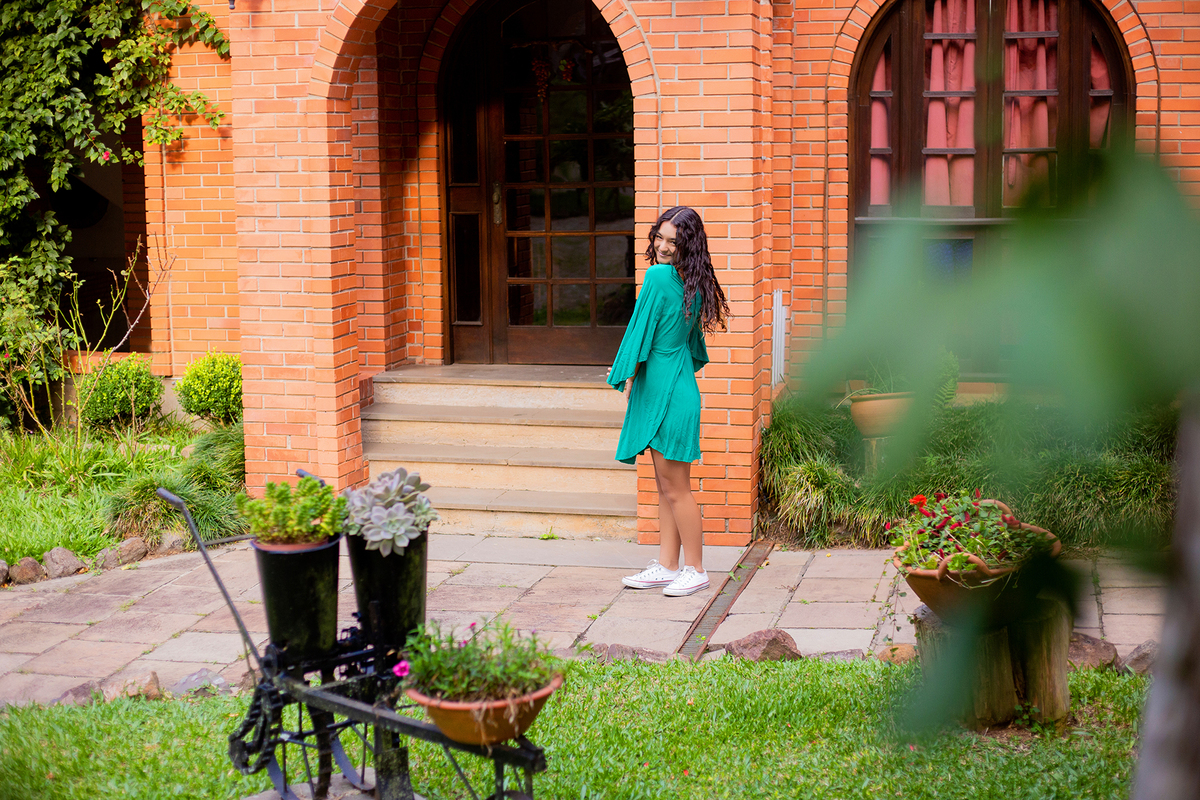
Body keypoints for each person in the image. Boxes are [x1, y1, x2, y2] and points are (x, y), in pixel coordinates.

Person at [606, 206, 729, 597]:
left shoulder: (659, 277)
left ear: (686, 245)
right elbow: (690, 345)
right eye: (658, 237)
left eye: (672, 241)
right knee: (667, 487)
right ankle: (667, 565)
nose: (662, 246)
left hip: (668, 393)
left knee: (676, 489)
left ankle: (696, 568)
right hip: (675, 386)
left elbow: (639, 329)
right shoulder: (692, 282)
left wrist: (625, 371)